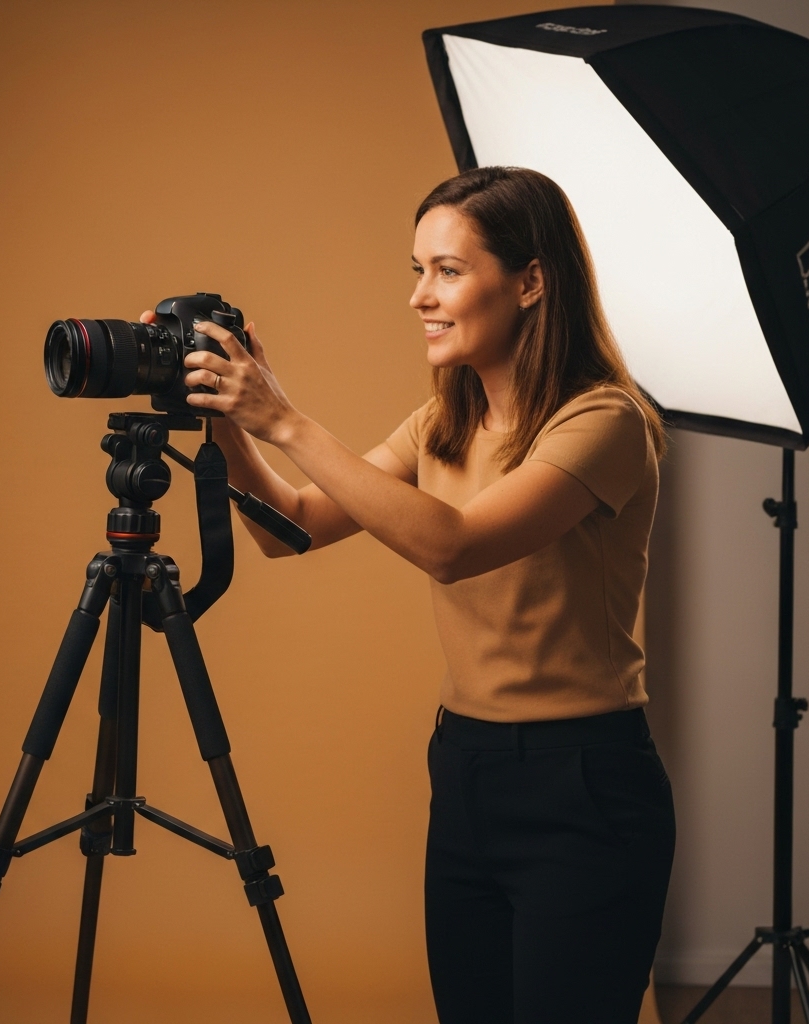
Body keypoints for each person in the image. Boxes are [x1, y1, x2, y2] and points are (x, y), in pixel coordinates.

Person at [150, 165, 676, 1024]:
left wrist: (283, 419)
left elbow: (451, 546)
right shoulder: (444, 422)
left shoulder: (603, 421)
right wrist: (231, 423)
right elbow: (294, 527)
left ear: (531, 281)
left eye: (448, 270)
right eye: (417, 270)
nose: (420, 296)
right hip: (465, 769)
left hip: (582, 782)